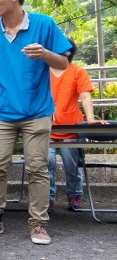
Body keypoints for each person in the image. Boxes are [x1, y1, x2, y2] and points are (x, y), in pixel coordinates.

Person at [0, 0, 72, 245]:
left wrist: (45, 54)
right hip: (2, 112)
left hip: (37, 111)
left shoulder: (44, 25)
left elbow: (63, 63)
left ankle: (38, 223)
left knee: (38, 167)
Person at [48, 38, 106, 213]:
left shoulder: (77, 71)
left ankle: (75, 196)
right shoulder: (43, 70)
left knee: (72, 164)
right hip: (46, 127)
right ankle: (47, 199)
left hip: (71, 126)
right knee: (45, 164)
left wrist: (90, 119)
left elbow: (85, 95)